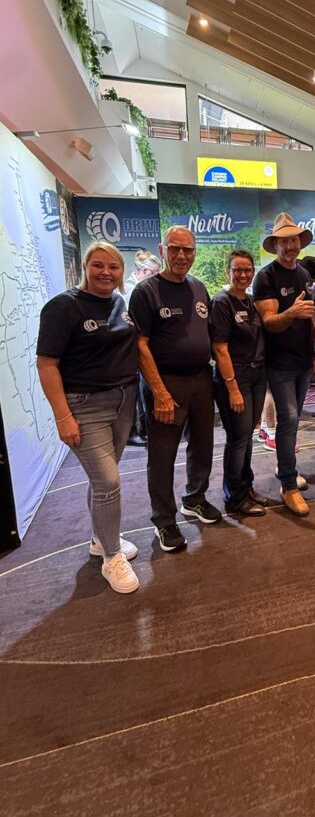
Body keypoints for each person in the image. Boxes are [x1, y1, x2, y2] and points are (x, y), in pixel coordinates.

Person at [36, 242, 140, 593]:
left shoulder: (118, 303)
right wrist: (63, 416)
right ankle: (112, 557)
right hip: (85, 405)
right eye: (98, 266)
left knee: (101, 482)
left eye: (113, 267)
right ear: (85, 266)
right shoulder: (63, 307)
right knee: (109, 482)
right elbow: (47, 365)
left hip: (123, 402)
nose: (106, 273)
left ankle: (99, 539)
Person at [129, 226, 221, 552]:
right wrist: (159, 392)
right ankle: (164, 521)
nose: (182, 256)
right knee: (163, 455)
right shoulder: (145, 292)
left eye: (188, 250)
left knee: (203, 446)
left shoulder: (198, 287)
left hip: (200, 380)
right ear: (162, 249)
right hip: (164, 383)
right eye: (175, 249)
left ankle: (194, 499)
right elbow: (140, 346)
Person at [253, 212, 315, 517]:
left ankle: (286, 468)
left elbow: (309, 320)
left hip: (304, 361)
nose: (290, 246)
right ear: (275, 245)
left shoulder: (304, 274)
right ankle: (289, 485)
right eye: (285, 241)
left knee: (294, 421)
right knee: (289, 419)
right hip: (278, 363)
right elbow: (269, 323)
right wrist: (291, 313)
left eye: (294, 240)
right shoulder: (265, 277)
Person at [211, 249, 267, 516]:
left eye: (247, 270)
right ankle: (234, 497)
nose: (243, 274)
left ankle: (246, 488)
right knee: (237, 439)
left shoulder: (251, 301)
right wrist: (232, 387)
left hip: (257, 376)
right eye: (237, 269)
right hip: (235, 377)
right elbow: (220, 348)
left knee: (247, 436)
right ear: (228, 271)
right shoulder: (222, 303)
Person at [124, 249, 161, 447]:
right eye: (153, 273)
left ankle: (143, 429)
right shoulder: (130, 291)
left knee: (140, 390)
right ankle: (134, 431)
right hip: (130, 349)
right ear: (143, 271)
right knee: (137, 390)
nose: (156, 277)